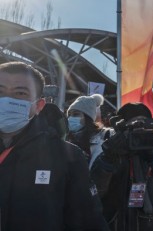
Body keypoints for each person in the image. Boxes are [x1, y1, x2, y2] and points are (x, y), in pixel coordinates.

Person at [0, 61, 107, 230]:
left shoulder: (66, 157)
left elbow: (88, 221)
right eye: (0, 91)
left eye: (20, 93)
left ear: (38, 105)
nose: (6, 100)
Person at [91, 102, 153, 230]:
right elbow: (96, 190)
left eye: (144, 124)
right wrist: (109, 157)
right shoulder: (113, 148)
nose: (140, 130)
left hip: (150, 224)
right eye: (135, 125)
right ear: (123, 128)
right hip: (117, 224)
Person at [67, 94, 111, 167]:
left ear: (87, 118)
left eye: (76, 114)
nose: (70, 118)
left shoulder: (101, 144)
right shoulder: (66, 140)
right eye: (69, 115)